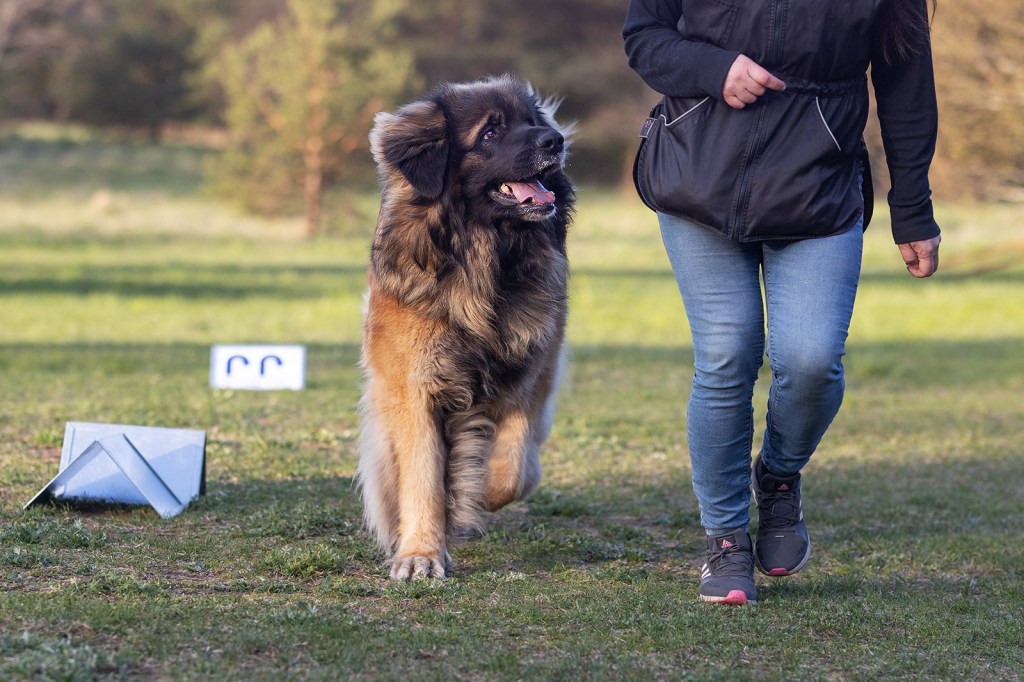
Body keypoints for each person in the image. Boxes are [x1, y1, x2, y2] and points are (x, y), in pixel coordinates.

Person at [622, 0, 941, 605]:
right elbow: (645, 37)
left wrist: (913, 209)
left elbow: (906, 84)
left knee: (813, 359)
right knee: (725, 353)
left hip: (817, 190)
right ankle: (725, 541)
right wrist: (713, 69)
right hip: (698, 181)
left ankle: (777, 476)